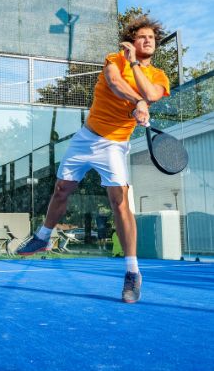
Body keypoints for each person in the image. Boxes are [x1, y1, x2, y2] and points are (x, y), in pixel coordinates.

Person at [17, 15, 170, 303]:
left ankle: (132, 272)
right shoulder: (114, 58)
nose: (147, 40)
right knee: (61, 189)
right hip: (86, 137)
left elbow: (150, 93)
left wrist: (137, 73)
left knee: (119, 202)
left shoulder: (159, 76)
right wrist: (137, 100)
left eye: (151, 38)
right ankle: (43, 236)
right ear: (131, 41)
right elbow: (114, 84)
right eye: (141, 37)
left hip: (115, 144)